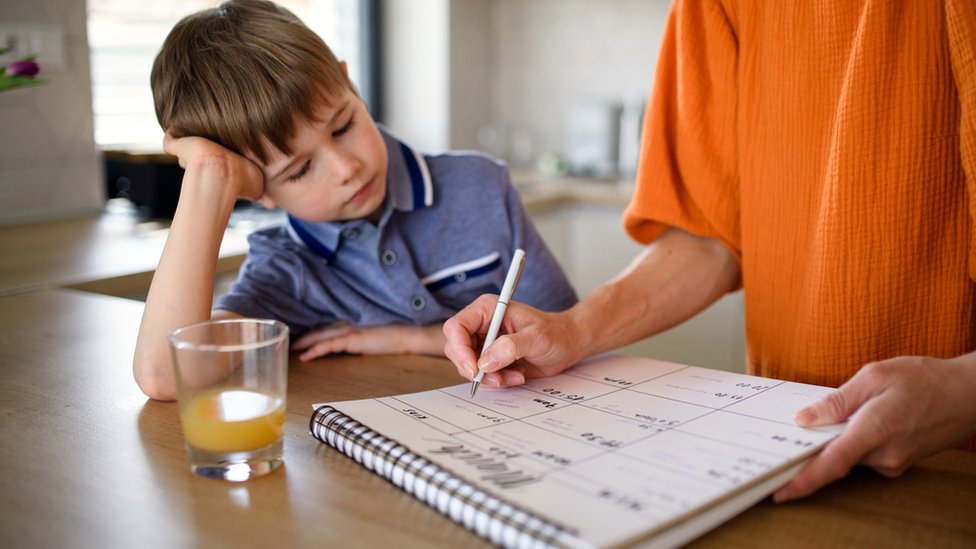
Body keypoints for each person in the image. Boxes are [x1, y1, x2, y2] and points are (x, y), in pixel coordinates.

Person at [444, 0, 976, 503]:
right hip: (781, 449)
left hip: (951, 466)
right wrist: (573, 331)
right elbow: (708, 235)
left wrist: (963, 391)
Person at [133, 0, 577, 401]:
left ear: (353, 87)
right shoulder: (287, 270)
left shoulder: (480, 187)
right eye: (300, 169)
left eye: (342, 126)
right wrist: (210, 178)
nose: (346, 168)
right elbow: (165, 376)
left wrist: (406, 338)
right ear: (257, 191)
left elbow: (564, 330)